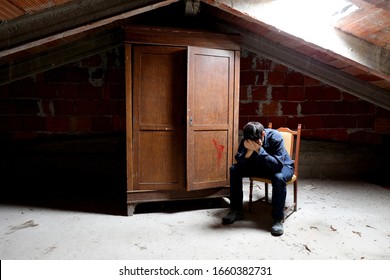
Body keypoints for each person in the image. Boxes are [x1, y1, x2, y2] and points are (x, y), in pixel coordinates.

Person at [222, 121, 294, 236]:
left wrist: (259, 150)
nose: (251, 143)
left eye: (254, 141)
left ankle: (277, 218)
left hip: (282, 166)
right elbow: (239, 160)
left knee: (278, 177)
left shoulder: (275, 137)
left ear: (263, 134)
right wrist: (250, 150)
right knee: (234, 170)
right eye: (248, 142)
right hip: (259, 165)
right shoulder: (248, 138)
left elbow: (277, 166)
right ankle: (236, 210)